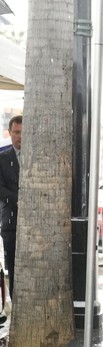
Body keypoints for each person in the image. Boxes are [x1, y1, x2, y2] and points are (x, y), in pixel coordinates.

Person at [0, 115, 22, 293]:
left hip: (33, 226)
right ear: (10, 133)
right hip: (11, 224)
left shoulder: (37, 157)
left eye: (23, 133)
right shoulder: (2, 159)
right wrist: (19, 200)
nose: (20, 137)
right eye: (16, 133)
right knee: (13, 270)